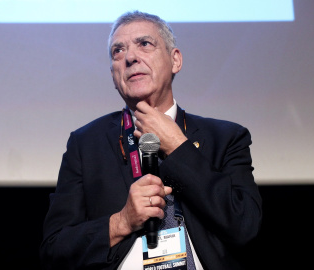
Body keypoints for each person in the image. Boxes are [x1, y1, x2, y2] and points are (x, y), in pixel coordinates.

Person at [40, 10, 262, 270]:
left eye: (145, 44)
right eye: (118, 51)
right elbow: (54, 250)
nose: (130, 57)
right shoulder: (86, 144)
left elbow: (246, 227)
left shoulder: (226, 138)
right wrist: (121, 222)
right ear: (113, 75)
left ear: (175, 60)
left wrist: (179, 147)